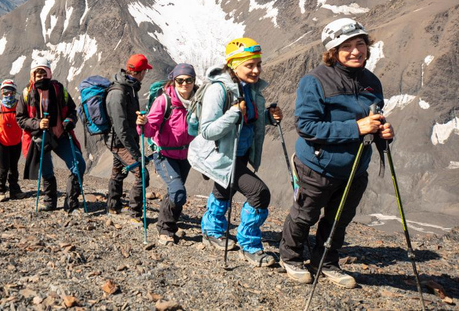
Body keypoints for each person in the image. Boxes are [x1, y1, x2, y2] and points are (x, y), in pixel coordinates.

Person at [279, 18, 394, 288]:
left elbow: (373, 117)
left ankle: (325, 262)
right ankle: (291, 257)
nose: (356, 51)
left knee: (339, 218)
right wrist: (356, 128)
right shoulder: (315, 80)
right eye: (347, 46)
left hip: (355, 167)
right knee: (305, 214)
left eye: (360, 43)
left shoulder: (371, 82)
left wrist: (383, 132)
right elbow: (306, 126)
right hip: (318, 165)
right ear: (333, 51)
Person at [188, 38, 282, 267]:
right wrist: (233, 114)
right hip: (219, 154)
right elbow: (208, 131)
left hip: (236, 153)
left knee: (225, 188)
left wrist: (269, 117)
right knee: (259, 193)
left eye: (258, 64)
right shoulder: (218, 90)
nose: (256, 70)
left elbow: (248, 120)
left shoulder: (250, 89)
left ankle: (211, 231)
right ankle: (249, 246)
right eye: (249, 65)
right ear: (233, 65)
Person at [16, 58, 86, 212]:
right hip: (40, 138)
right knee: (46, 170)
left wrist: (69, 121)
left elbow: (72, 111)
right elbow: (20, 119)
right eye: (38, 75)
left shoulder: (59, 89)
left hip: (60, 135)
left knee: (79, 164)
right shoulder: (27, 93)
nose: (42, 78)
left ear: (49, 73)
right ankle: (50, 202)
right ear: (33, 76)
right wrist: (37, 124)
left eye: (44, 74)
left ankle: (71, 203)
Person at [139, 63, 197, 245]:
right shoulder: (164, 101)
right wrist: (142, 124)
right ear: (174, 81)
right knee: (178, 191)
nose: (184, 84)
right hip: (164, 154)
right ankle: (165, 228)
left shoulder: (197, 102)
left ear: (194, 81)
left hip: (186, 155)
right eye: (180, 80)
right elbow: (149, 130)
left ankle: (169, 223)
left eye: (188, 80)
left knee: (175, 192)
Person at [105, 53, 152, 222]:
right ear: (139, 72)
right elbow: (120, 128)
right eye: (145, 71)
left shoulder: (128, 88)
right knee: (142, 174)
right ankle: (135, 214)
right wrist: (136, 154)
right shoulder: (119, 92)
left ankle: (113, 206)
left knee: (118, 173)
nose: (145, 74)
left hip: (121, 141)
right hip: (120, 143)